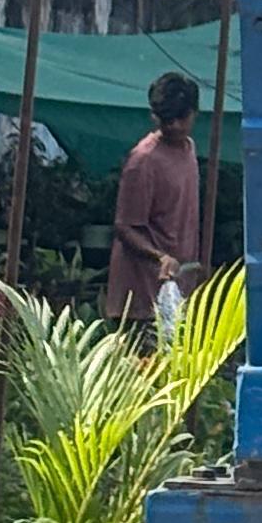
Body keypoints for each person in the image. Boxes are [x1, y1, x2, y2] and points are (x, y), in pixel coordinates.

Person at [106, 70, 204, 329]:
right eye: (166, 119)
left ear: (194, 114)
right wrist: (160, 257)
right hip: (143, 300)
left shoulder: (189, 149)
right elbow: (124, 226)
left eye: (180, 118)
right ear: (155, 116)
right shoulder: (143, 160)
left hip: (177, 291)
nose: (174, 126)